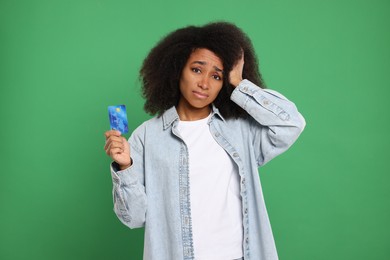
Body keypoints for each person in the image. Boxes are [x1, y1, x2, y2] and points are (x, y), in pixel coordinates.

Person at [104, 22, 305, 260]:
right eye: (197, 70)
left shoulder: (240, 131)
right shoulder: (147, 136)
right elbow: (134, 218)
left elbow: (291, 124)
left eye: (217, 76)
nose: (205, 84)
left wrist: (239, 83)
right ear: (177, 69)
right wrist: (125, 167)